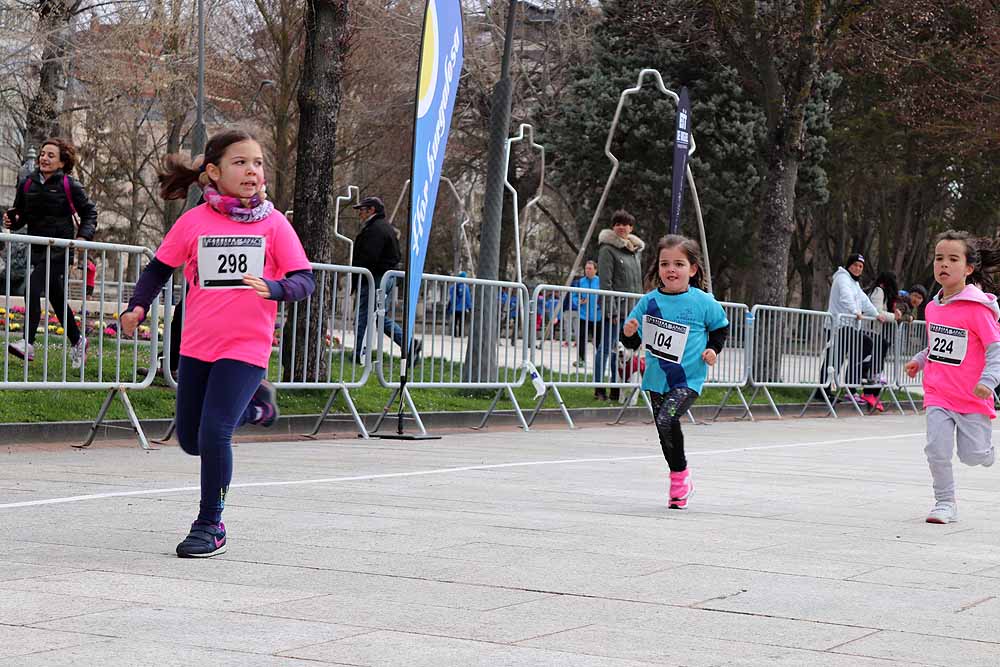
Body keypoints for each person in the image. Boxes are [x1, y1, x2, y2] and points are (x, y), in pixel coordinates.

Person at [119, 129, 315, 557]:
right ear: (213, 172)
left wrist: (275, 288)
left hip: (246, 346)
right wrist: (136, 307)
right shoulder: (194, 222)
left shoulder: (274, 224)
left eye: (258, 163)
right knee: (191, 439)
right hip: (197, 345)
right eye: (241, 162)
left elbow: (305, 280)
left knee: (215, 432)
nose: (252, 171)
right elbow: (158, 270)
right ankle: (257, 405)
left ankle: (211, 524)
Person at [620, 234, 728, 509]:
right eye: (665, 264)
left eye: (679, 264)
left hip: (688, 377)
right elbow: (633, 341)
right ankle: (680, 479)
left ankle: (679, 479)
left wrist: (713, 350)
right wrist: (629, 334)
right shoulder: (649, 302)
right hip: (657, 378)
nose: (671, 270)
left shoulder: (703, 301)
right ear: (657, 268)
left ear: (692, 270)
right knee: (663, 428)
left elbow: (720, 327)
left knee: (667, 420)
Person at [904, 230, 1000, 524]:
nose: (944, 264)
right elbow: (936, 344)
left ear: (968, 268)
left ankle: (985, 450)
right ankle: (944, 502)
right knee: (936, 448)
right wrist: (919, 361)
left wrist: (988, 381)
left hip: (972, 395)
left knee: (972, 456)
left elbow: (995, 348)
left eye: (953, 259)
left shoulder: (976, 310)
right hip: (939, 393)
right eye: (939, 258)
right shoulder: (933, 307)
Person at [3, 137, 97, 368]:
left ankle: (28, 342)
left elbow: (89, 213)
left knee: (33, 286)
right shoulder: (27, 183)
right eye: (43, 154)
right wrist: (11, 220)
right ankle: (78, 340)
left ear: (63, 163)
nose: (44, 158)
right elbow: (20, 215)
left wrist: (82, 238)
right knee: (55, 297)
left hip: (60, 249)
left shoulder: (70, 185)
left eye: (50, 155)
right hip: (37, 248)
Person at [351, 196, 420, 364]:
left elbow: (368, 256)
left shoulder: (375, 230)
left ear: (371, 210)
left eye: (362, 209)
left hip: (374, 277)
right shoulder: (385, 228)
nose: (359, 213)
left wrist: (360, 274)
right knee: (379, 316)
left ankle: (358, 353)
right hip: (384, 277)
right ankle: (409, 344)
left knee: (364, 316)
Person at [816, 253, 881, 405]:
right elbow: (846, 297)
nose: (858, 269)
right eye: (855, 265)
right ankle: (823, 391)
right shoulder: (842, 278)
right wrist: (854, 312)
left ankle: (850, 381)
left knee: (859, 347)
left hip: (849, 326)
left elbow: (864, 301)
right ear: (849, 265)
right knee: (834, 359)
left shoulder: (855, 283)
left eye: (860, 267)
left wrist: (876, 314)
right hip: (838, 326)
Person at [595, 209, 645, 400]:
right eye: (617, 224)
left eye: (625, 224)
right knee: (607, 348)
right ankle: (599, 388)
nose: (621, 227)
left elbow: (637, 283)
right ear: (613, 227)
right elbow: (605, 283)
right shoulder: (607, 249)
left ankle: (616, 389)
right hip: (616, 309)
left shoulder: (634, 252)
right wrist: (611, 310)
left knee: (623, 350)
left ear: (631, 227)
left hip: (631, 311)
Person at [860, 271, 902, 412]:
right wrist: (893, 317)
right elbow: (877, 312)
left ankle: (872, 392)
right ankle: (868, 388)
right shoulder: (878, 291)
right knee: (878, 351)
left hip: (875, 331)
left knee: (880, 352)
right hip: (869, 330)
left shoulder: (885, 294)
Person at [573, 260, 601, 368]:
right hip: (583, 315)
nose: (587, 271)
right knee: (581, 339)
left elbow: (605, 297)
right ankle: (581, 360)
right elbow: (574, 296)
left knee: (598, 340)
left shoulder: (600, 281)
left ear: (595, 270)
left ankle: (600, 361)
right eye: (586, 268)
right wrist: (578, 302)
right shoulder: (580, 282)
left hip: (597, 316)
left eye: (590, 268)